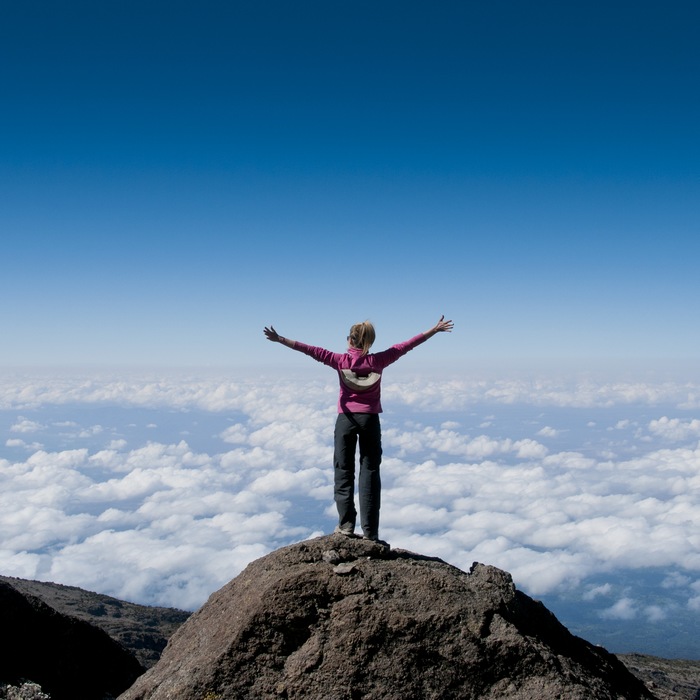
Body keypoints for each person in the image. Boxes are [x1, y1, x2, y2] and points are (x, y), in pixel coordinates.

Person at [263, 315, 454, 542]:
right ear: (368, 342)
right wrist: (433, 330)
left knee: (343, 471)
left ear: (350, 340)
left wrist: (279, 339)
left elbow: (309, 350)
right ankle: (371, 533)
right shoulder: (379, 361)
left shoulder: (339, 360)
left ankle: (346, 526)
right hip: (370, 420)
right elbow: (407, 346)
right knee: (370, 473)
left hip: (345, 420)